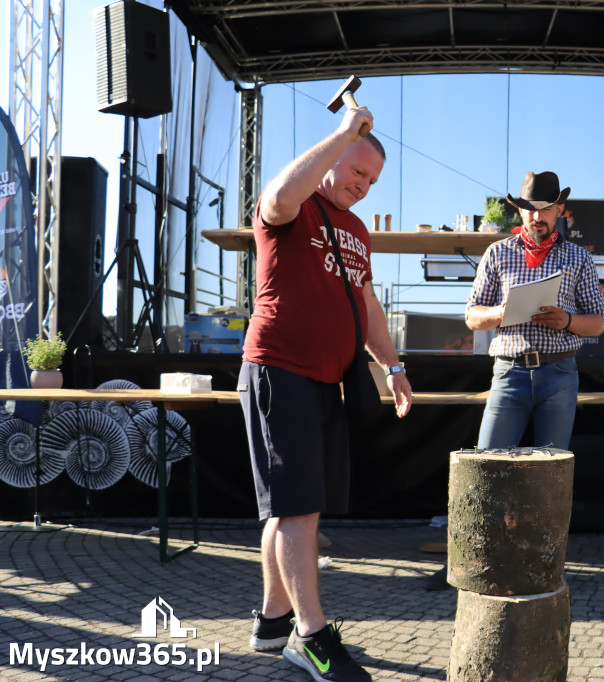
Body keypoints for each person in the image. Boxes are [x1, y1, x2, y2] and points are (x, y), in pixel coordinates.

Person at [238, 102, 413, 682]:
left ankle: (271, 620)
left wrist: (392, 367)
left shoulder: (358, 230)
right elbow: (280, 195)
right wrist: (343, 132)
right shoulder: (291, 206)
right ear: (335, 158)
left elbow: (367, 307)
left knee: (291, 504)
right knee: (298, 507)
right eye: (357, 172)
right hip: (278, 368)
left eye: (373, 180)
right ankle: (310, 636)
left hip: (325, 380)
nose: (364, 187)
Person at [466, 170, 604, 450]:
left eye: (545, 210)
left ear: (559, 210)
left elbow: (598, 323)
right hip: (509, 371)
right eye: (529, 209)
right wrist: (501, 313)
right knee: (487, 463)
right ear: (519, 209)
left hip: (559, 373)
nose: (537, 217)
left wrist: (566, 320)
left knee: (553, 468)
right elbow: (472, 316)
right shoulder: (497, 252)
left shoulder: (580, 257)